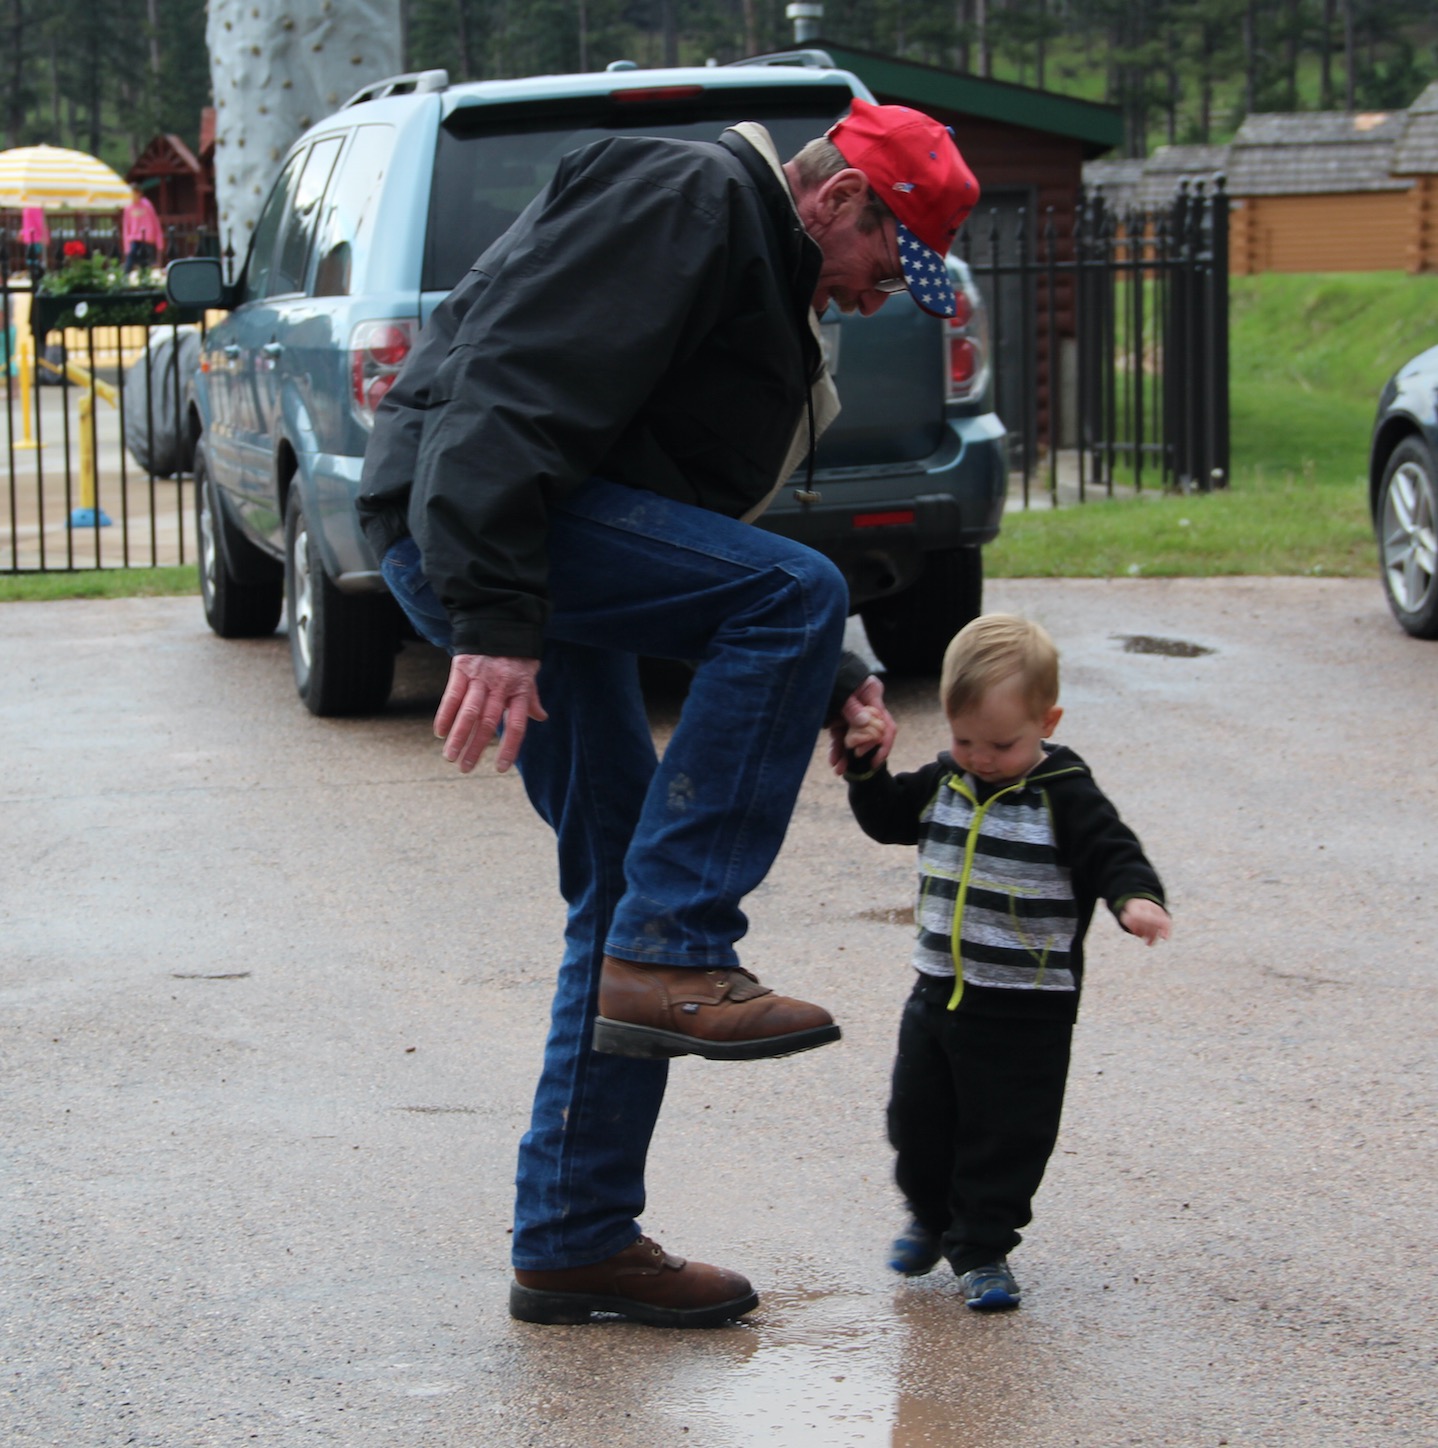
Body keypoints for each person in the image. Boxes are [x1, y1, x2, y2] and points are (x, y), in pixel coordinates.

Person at [355, 97, 980, 1328]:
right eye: (882, 263)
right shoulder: (688, 193)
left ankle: (573, 1234)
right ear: (841, 201)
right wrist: (490, 612)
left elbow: (690, 532)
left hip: (537, 541)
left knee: (617, 881)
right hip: (488, 529)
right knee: (778, 620)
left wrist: (834, 664)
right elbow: (511, 382)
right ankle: (680, 948)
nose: (878, 296)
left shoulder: (760, 272)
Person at [843, 614, 1171, 1311]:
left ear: (1046, 721)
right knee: (915, 1121)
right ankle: (930, 1219)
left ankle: (983, 1248)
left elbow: (1114, 852)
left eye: (1001, 743)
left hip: (1027, 1009)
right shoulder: (944, 781)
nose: (980, 757)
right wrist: (867, 767)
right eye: (963, 740)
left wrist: (1134, 898)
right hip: (938, 994)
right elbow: (885, 818)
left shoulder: (1065, 795)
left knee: (1007, 1136)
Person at [121, 186, 164, 273]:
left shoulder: (147, 205)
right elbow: (126, 227)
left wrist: (159, 242)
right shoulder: (128, 207)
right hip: (134, 238)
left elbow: (155, 222)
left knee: (148, 262)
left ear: (139, 193)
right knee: (131, 256)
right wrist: (126, 246)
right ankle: (125, 276)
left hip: (148, 238)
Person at [19, 205, 49, 271]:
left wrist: (44, 236)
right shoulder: (30, 208)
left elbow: (40, 223)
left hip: (36, 238)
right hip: (31, 238)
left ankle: (35, 274)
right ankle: (34, 274)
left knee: (34, 259)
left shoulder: (31, 208)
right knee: (33, 259)